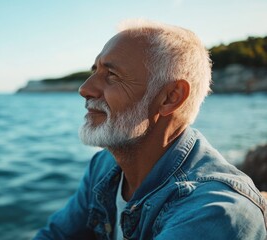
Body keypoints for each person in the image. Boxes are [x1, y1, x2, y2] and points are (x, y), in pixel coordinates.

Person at [34, 19, 267, 240]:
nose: (85, 89)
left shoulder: (216, 213)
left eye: (112, 75)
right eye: (94, 71)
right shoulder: (104, 166)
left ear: (170, 98)